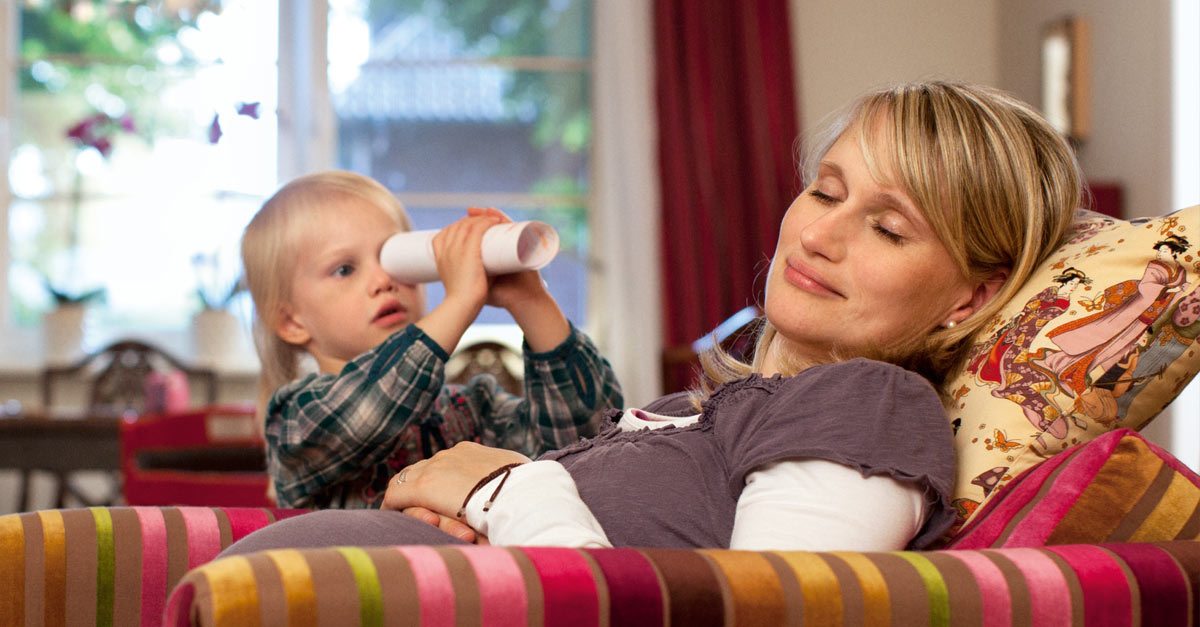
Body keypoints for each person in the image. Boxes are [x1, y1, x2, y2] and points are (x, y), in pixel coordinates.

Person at [223, 81, 1082, 554]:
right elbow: (576, 445)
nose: (817, 233)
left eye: (888, 227)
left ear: (969, 298)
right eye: (823, 188)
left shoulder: (866, 405)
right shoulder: (698, 411)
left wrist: (499, 487)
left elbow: (761, 610)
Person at [240, 170, 623, 512]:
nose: (384, 280)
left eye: (393, 257)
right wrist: (458, 303)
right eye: (345, 269)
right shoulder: (294, 419)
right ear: (292, 322)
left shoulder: (473, 410)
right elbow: (368, 410)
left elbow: (588, 446)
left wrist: (531, 301)